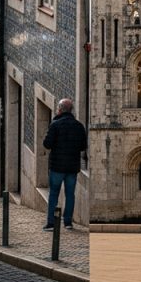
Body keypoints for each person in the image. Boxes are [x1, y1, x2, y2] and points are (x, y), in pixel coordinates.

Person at [43, 98, 87, 230]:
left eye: (58, 108)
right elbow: (83, 146)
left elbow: (47, 144)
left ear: (60, 109)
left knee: (54, 194)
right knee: (70, 194)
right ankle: (68, 222)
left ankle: (51, 223)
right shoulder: (79, 126)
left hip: (57, 166)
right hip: (72, 167)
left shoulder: (55, 124)